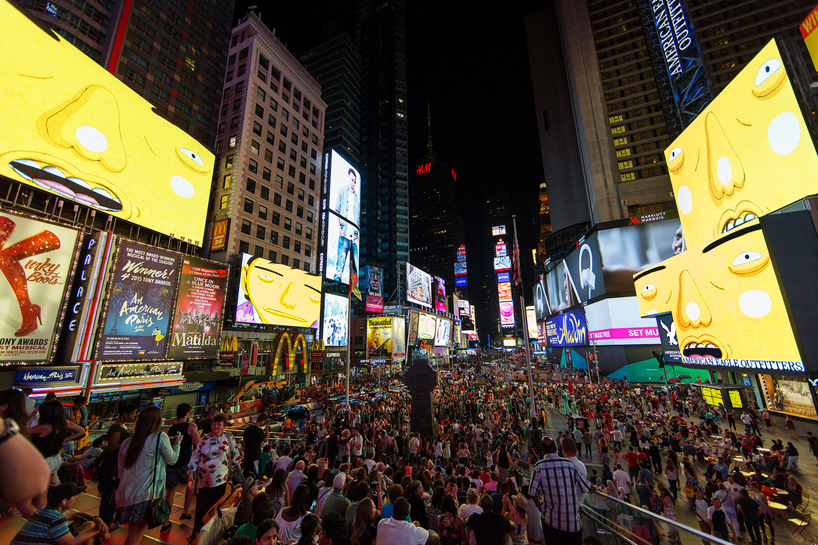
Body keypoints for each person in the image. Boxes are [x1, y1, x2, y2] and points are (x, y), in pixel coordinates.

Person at [116, 404, 180, 545]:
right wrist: (177, 444)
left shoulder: (128, 442)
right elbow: (172, 459)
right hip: (146, 494)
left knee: (134, 533)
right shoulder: (159, 437)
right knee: (136, 535)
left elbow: (120, 472)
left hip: (126, 494)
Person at [529, 436, 591, 545]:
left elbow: (532, 492)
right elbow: (586, 487)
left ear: (542, 449)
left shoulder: (539, 467)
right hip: (573, 523)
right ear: (556, 448)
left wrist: (540, 506)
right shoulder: (570, 465)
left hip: (551, 522)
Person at [187, 412, 241, 536]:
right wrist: (191, 473)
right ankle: (197, 534)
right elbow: (195, 457)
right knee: (201, 507)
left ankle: (212, 534)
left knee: (216, 507)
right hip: (203, 480)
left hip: (220, 479)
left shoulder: (228, 438)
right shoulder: (204, 440)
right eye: (214, 424)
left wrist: (238, 467)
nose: (216, 427)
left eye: (219, 424)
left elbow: (234, 454)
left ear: (223, 426)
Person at [11, 482, 109, 545]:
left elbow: (76, 516)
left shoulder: (45, 512)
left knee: (82, 522)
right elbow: (71, 542)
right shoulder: (56, 518)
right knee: (90, 527)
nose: (76, 498)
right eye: (74, 496)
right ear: (64, 501)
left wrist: (96, 518)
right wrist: (97, 532)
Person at [29, 400, 86, 488]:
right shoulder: (64, 423)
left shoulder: (45, 427)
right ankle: (63, 498)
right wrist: (63, 440)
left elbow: (21, 432)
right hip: (55, 459)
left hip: (44, 459)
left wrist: (32, 414)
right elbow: (81, 431)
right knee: (49, 488)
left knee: (34, 488)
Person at [98, 404, 137, 527]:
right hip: (113, 464)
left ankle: (107, 518)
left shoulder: (122, 427)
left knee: (113, 491)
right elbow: (111, 447)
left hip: (119, 463)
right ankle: (106, 519)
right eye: (132, 414)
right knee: (110, 492)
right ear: (124, 414)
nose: (133, 416)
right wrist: (129, 441)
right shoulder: (116, 428)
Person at [164, 403, 199, 530]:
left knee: (170, 492)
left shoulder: (171, 429)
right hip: (186, 464)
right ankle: (185, 512)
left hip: (172, 464)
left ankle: (166, 521)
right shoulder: (191, 426)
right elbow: (198, 443)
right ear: (187, 413)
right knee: (190, 485)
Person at [332, 167, 359, 281]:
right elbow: (336, 210)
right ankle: (334, 291)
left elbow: (359, 219)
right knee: (339, 270)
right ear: (348, 177)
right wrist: (339, 229)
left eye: (355, 181)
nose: (353, 183)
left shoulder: (357, 198)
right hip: (343, 237)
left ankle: (352, 297)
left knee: (355, 275)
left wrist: (358, 238)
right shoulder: (342, 191)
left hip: (354, 240)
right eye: (352, 180)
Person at [243, 413, 269, 477]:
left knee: (247, 473)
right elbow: (265, 439)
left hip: (247, 455)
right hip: (255, 456)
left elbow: (244, 442)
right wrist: (267, 428)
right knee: (255, 473)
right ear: (262, 421)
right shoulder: (258, 430)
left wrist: (245, 451)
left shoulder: (247, 429)